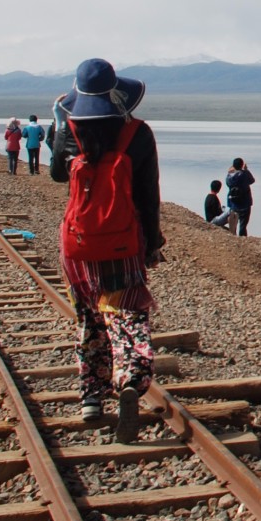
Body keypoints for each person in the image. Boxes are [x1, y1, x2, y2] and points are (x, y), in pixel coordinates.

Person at [50, 58, 164, 443]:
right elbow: (149, 197)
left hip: (77, 247)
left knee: (89, 319)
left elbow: (54, 173)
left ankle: (91, 399)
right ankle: (130, 378)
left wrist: (58, 126)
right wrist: (152, 244)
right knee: (127, 315)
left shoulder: (69, 132)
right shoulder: (138, 134)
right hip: (121, 244)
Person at [224, 157, 255, 237]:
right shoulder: (244, 174)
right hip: (245, 203)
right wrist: (246, 170)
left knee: (233, 224)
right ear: (242, 165)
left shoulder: (229, 176)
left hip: (233, 203)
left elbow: (227, 183)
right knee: (243, 225)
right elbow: (252, 180)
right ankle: (243, 238)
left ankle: (233, 237)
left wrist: (230, 171)